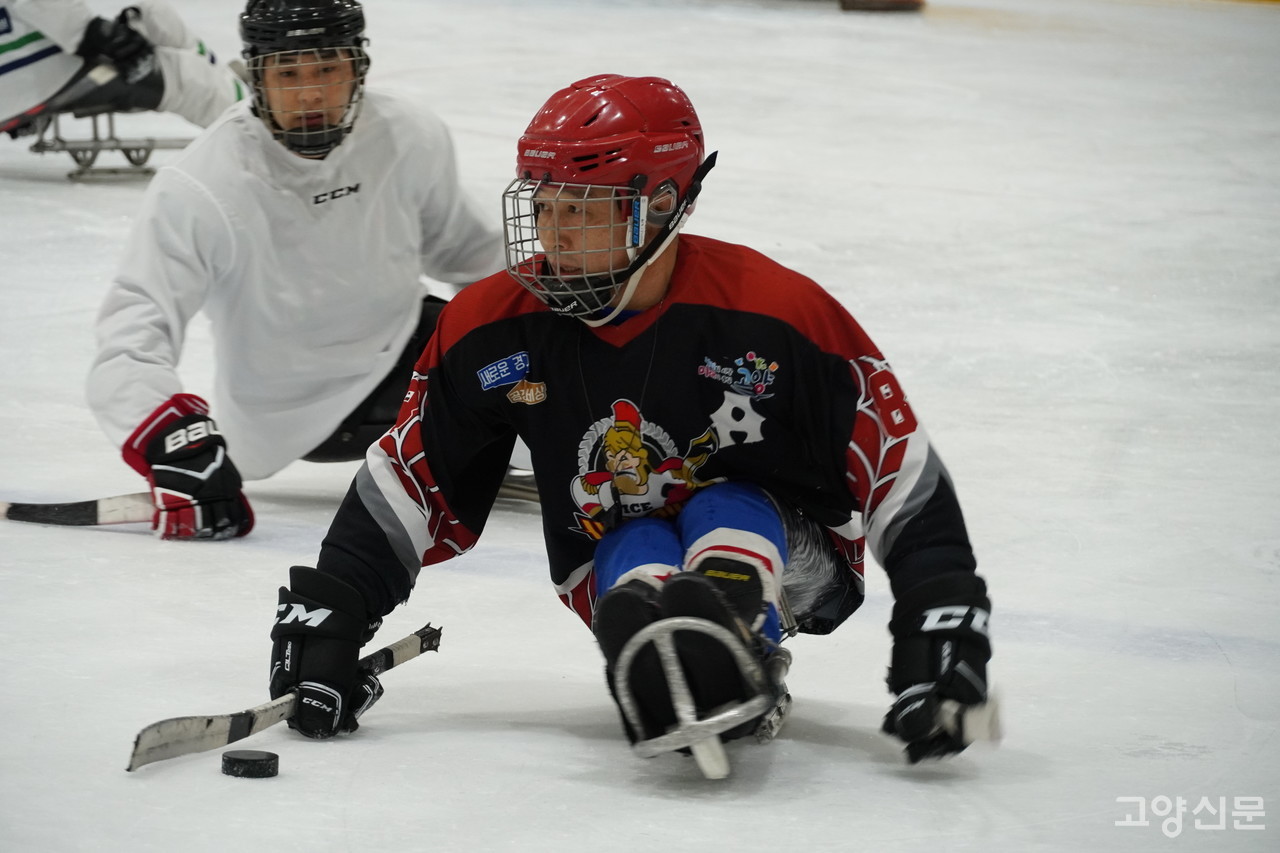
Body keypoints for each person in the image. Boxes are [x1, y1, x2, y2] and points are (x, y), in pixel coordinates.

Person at [266, 74, 994, 776]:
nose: (553, 231)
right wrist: (335, 604)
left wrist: (941, 619)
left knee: (721, 503)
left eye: (581, 208)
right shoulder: (493, 327)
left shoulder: (775, 314)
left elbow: (896, 466)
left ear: (664, 203)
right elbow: (414, 475)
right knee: (635, 538)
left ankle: (743, 633)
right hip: (610, 565)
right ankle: (660, 645)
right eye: (544, 204)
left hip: (796, 560)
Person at [85, 0, 507, 541]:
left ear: (358, 68)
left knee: (539, 351)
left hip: (406, 350)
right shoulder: (203, 183)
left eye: (328, 69)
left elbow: (469, 253)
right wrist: (173, 438)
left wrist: (578, 303)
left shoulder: (408, 132)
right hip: (287, 416)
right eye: (288, 73)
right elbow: (129, 334)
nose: (309, 93)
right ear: (256, 77)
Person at [1, 0, 247, 136]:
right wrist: (95, 34)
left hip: (25, 55)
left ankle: (238, 91)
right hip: (23, 70)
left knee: (155, 15)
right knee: (185, 77)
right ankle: (262, 130)